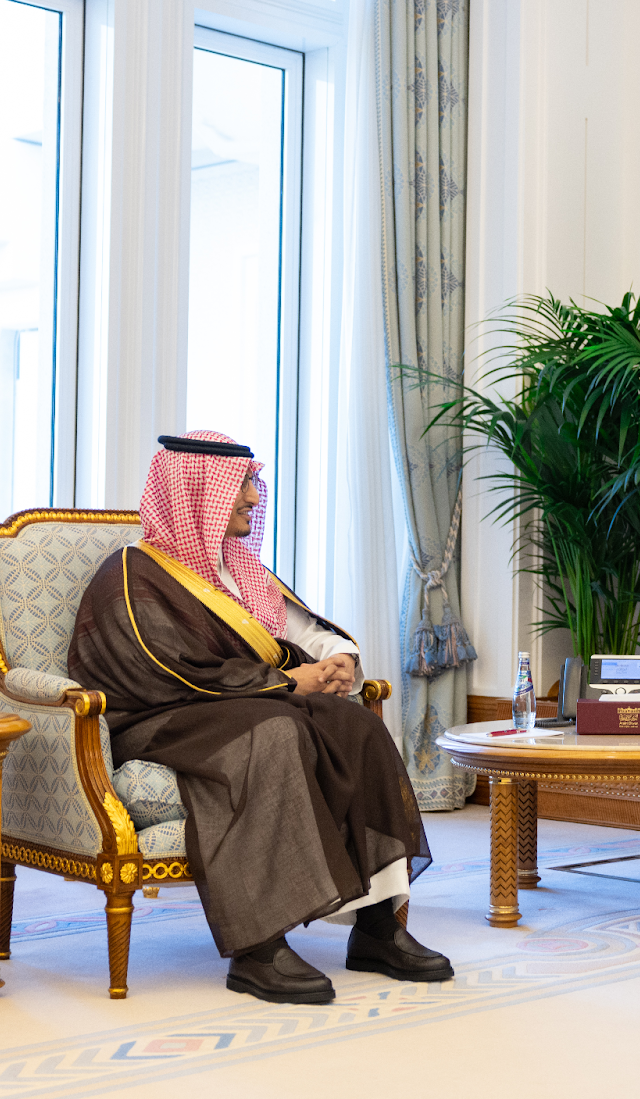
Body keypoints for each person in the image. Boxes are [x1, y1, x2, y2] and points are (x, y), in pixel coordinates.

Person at [68, 430, 451, 1005]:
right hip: (161, 719)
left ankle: (377, 928)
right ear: (197, 491)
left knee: (358, 726)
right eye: (242, 484)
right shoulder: (131, 571)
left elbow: (307, 633)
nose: (254, 496)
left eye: (252, 482)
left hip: (246, 704)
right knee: (274, 733)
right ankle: (258, 948)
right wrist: (287, 682)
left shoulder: (242, 569)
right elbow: (161, 667)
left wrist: (339, 661)